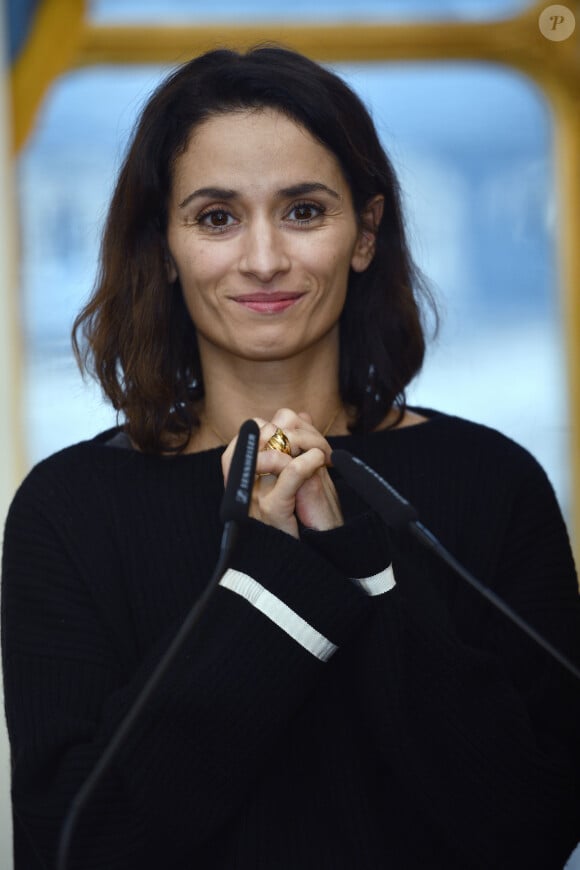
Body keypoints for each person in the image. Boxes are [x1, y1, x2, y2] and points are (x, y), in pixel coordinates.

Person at [2, 45, 580, 870]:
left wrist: (362, 564)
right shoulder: (70, 508)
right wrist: (273, 584)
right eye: (216, 217)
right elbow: (78, 848)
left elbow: (531, 829)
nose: (265, 259)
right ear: (163, 246)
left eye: (304, 211)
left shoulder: (494, 479)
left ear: (366, 233)